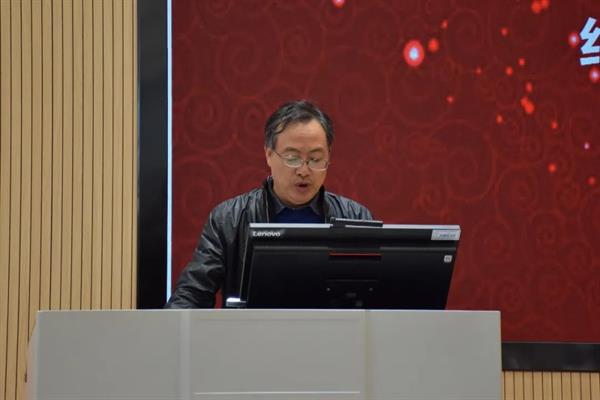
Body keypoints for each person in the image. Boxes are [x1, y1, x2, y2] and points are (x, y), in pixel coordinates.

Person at [165, 100, 373, 308]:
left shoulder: (355, 218)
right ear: (269, 154)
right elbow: (191, 295)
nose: (303, 170)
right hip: (252, 328)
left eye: (315, 159)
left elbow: (376, 297)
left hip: (332, 328)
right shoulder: (228, 219)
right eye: (292, 158)